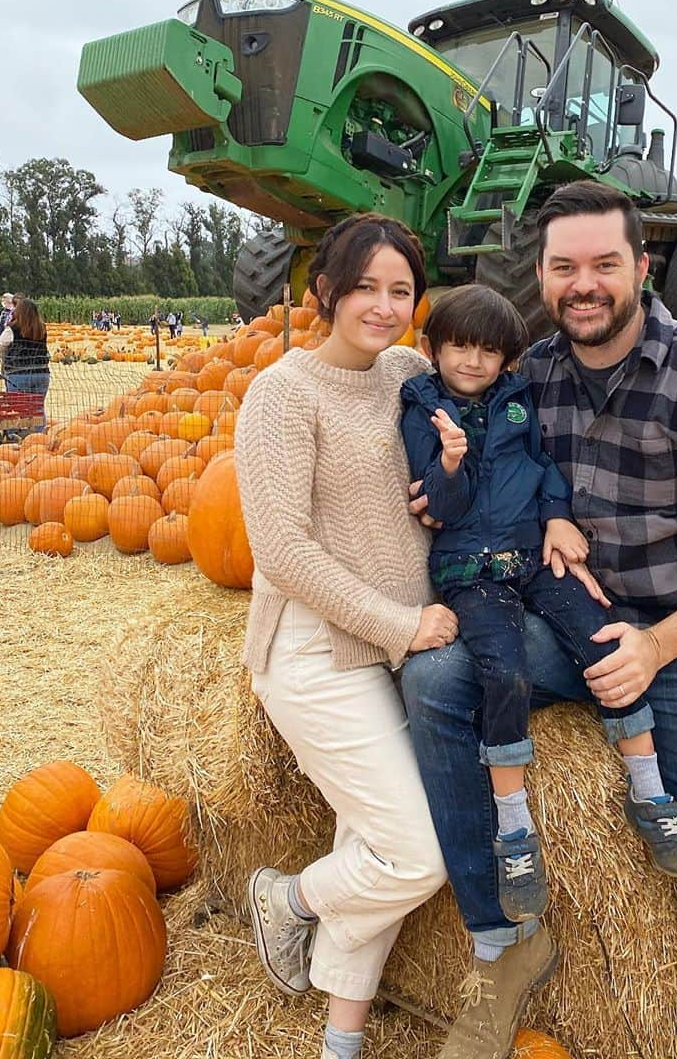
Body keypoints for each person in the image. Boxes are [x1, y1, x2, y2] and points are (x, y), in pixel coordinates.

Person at [401, 182, 677, 1059]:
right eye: (563, 268)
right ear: (541, 278)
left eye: (602, 265)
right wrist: (441, 493)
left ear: (642, 267)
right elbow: (431, 394)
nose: (582, 285)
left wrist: (658, 645)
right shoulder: (532, 376)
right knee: (433, 676)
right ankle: (500, 934)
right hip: (564, 615)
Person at [400, 285, 677, 924]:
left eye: (489, 351)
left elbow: (544, 468)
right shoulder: (422, 409)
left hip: (532, 553)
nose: (474, 363)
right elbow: (438, 511)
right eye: (460, 348)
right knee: (502, 670)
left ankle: (650, 793)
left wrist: (559, 517)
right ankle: (514, 833)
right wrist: (449, 465)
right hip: (471, 570)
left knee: (602, 635)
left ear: (508, 359)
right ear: (434, 349)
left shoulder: (517, 401)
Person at [234, 213, 451, 1059]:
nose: (384, 305)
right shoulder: (283, 394)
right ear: (324, 290)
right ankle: (286, 901)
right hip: (318, 655)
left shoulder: (408, 371)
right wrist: (401, 624)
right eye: (364, 287)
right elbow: (283, 550)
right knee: (412, 856)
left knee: (372, 833)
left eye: (401, 289)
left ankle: (341, 1041)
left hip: (396, 648)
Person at [0, 296, 50, 428]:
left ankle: (17, 437)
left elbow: (1, 345)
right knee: (38, 408)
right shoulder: (41, 328)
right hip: (42, 372)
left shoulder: (12, 328)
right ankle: (39, 437)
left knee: (17, 409)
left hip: (18, 373)